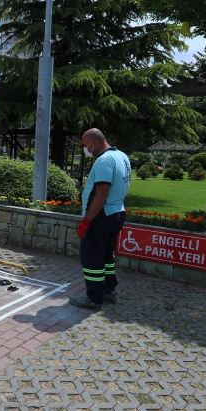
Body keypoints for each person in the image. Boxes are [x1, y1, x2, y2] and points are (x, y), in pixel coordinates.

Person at [70, 128, 131, 310]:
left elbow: (100, 194)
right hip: (117, 212)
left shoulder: (104, 161)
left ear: (93, 143)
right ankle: (109, 291)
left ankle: (94, 298)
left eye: (84, 145)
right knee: (106, 255)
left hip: (101, 216)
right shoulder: (122, 156)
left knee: (92, 258)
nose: (84, 149)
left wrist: (87, 221)